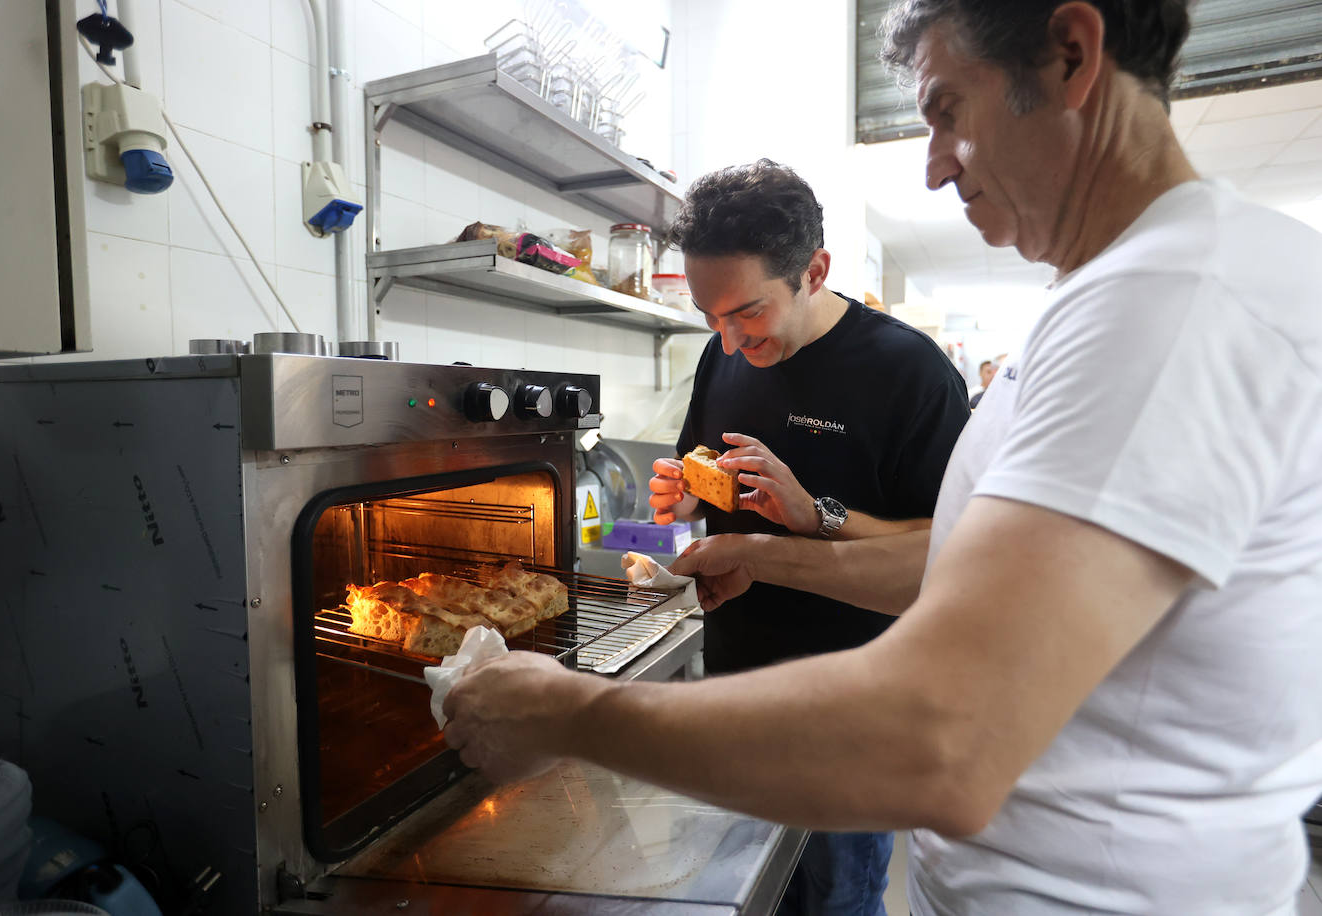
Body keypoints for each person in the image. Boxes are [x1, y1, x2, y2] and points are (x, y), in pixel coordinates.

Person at [441, 2, 1322, 914]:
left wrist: (569, 714)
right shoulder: (1115, 299)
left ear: (1073, 54)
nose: (935, 165)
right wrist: (754, 552)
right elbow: (953, 571)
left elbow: (949, 736)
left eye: (947, 111)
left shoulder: (1174, 308)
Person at [646, 159, 971, 915]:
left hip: (852, 713)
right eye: (710, 316)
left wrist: (817, 512)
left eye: (747, 313)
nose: (729, 341)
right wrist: (684, 495)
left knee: (837, 902)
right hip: (734, 692)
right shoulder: (722, 353)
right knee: (736, 899)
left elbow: (948, 547)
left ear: (814, 272)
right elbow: (703, 474)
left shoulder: (909, 372)